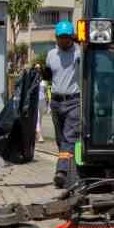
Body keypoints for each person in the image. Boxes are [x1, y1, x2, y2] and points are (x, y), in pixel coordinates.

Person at [44, 22, 82, 189]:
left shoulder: (79, 53)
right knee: (61, 140)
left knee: (69, 137)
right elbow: (48, 75)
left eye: (67, 38)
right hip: (56, 102)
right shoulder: (51, 54)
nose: (63, 41)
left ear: (71, 37)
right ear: (56, 38)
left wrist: (79, 39)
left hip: (74, 101)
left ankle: (61, 172)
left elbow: (88, 46)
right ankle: (69, 169)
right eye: (61, 38)